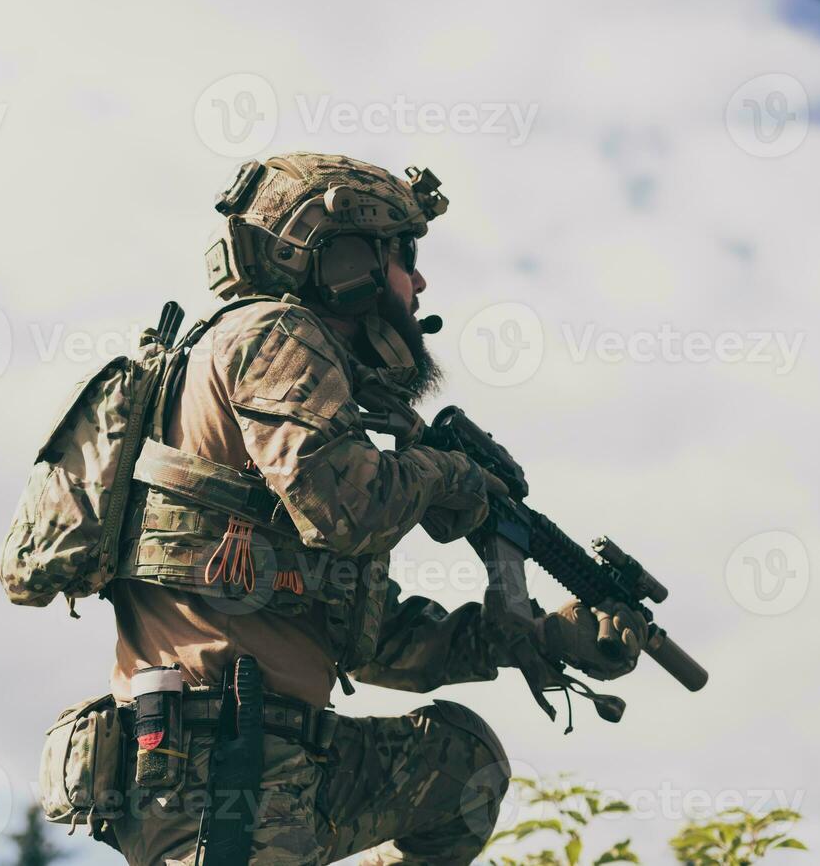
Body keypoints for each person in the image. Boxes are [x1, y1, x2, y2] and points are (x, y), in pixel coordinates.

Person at [53, 153, 647, 865]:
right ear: (347, 261)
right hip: (216, 775)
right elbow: (344, 508)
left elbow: (376, 642)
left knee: (461, 766)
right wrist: (449, 474)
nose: (419, 280)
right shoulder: (275, 334)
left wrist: (546, 636)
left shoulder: (280, 399)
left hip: (283, 765)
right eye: (405, 255)